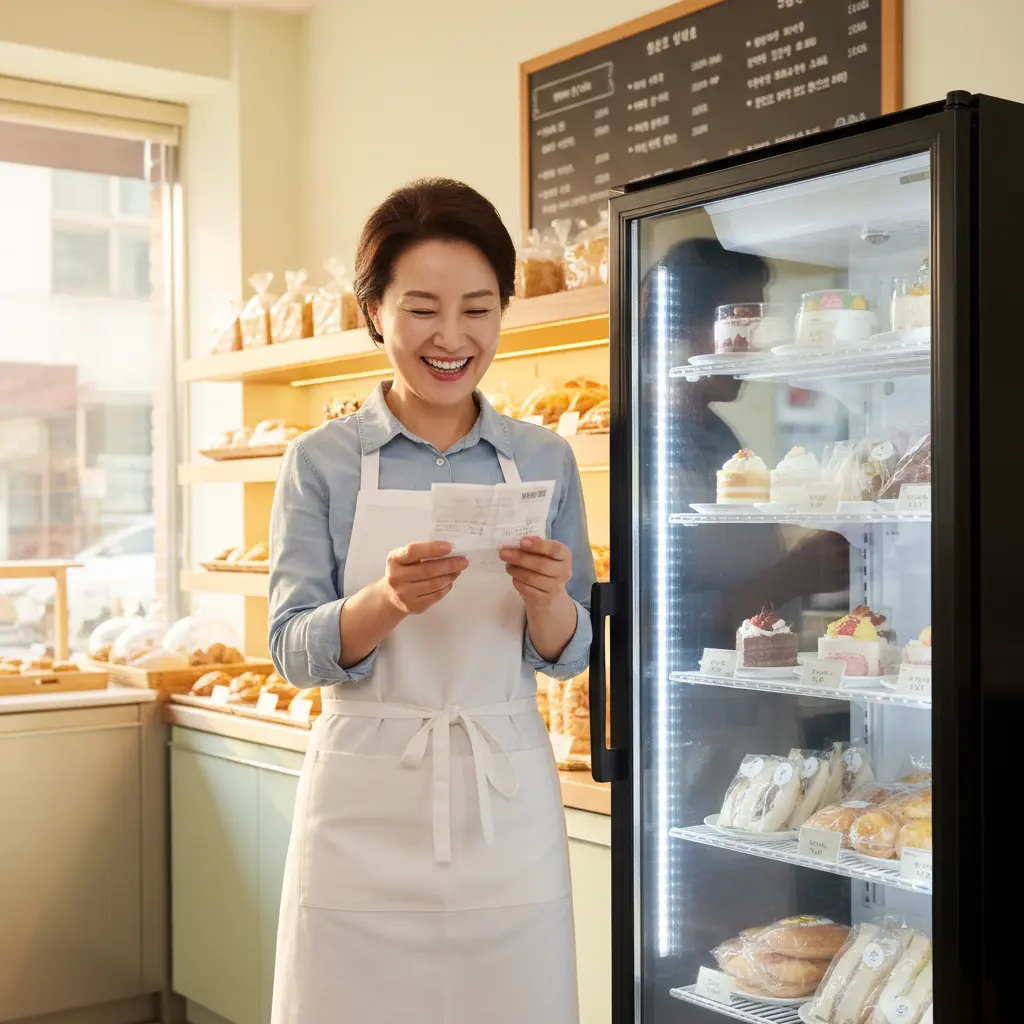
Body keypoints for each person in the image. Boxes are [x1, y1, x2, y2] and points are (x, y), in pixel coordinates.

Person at [267, 178, 594, 1024]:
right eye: (422, 309)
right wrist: (383, 601)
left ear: (503, 314)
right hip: (365, 809)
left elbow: (573, 649)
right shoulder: (322, 461)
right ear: (374, 310)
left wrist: (549, 597)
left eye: (478, 310)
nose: (452, 338)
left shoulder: (545, 458)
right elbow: (292, 649)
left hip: (504, 805)